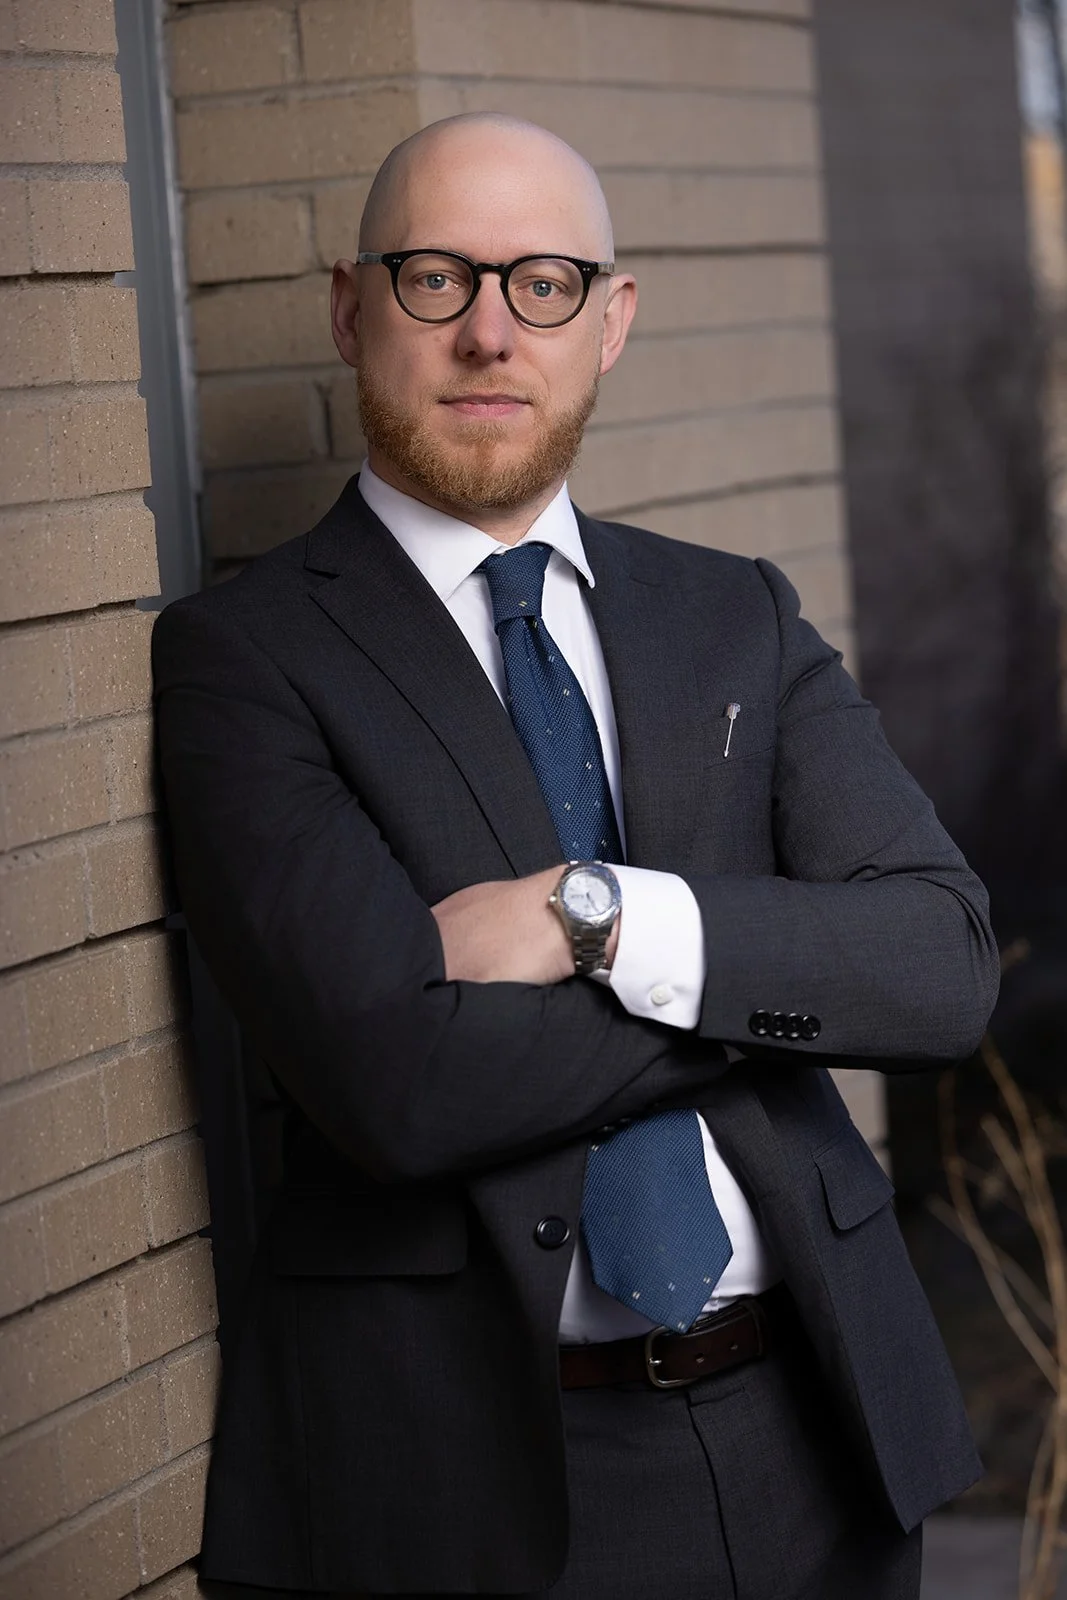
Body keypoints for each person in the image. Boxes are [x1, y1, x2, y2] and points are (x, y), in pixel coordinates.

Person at [153, 114, 999, 1600]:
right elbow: (396, 1084)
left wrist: (589, 913)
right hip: (486, 1483)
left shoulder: (731, 613)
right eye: (436, 279)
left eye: (542, 282)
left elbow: (935, 968)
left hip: (821, 1431)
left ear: (609, 323)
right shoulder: (247, 658)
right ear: (350, 308)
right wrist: (757, 981)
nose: (490, 331)